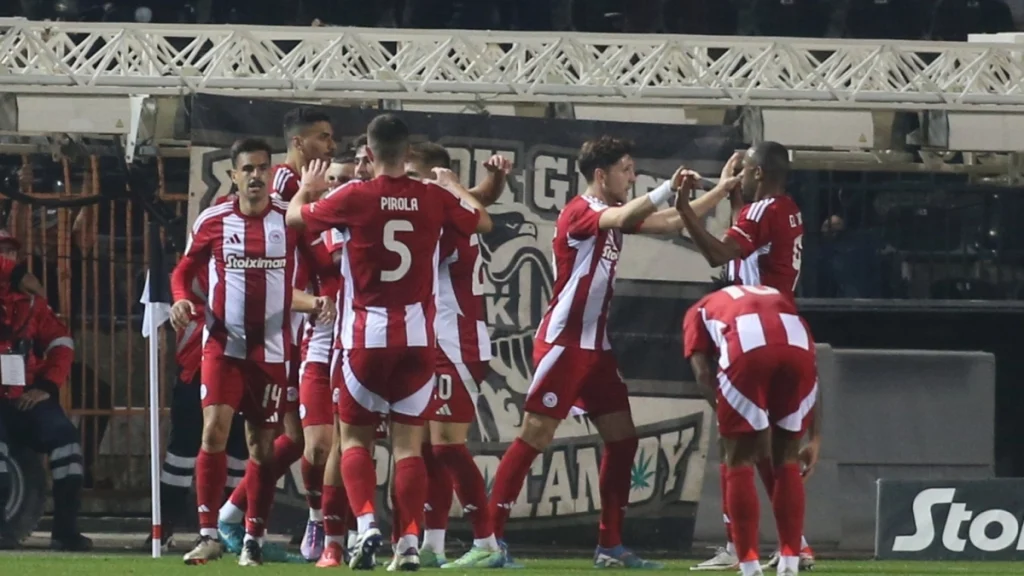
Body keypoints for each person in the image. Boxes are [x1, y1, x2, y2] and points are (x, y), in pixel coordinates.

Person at [484, 136, 729, 569]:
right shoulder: (581, 211)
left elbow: (672, 221)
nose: (631, 178)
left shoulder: (611, 215)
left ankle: (610, 546)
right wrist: (667, 187)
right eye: (626, 170)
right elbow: (629, 214)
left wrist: (721, 189)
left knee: (623, 440)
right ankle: (488, 541)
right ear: (601, 175)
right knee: (534, 437)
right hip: (564, 344)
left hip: (595, 349)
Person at [285, 113, 493, 571]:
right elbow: (480, 221)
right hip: (418, 339)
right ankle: (410, 543)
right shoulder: (433, 196)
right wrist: (454, 185)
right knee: (408, 446)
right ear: (407, 151)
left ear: (370, 152)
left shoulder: (354, 196)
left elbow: (295, 218)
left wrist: (307, 188)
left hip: (366, 337)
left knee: (355, 441)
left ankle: (365, 524)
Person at [170, 137, 334, 566]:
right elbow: (183, 271)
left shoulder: (290, 219)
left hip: (272, 352)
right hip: (223, 346)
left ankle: (252, 539)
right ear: (234, 175)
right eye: (248, 169)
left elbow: (324, 267)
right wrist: (181, 299)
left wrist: (327, 299)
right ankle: (208, 534)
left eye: (262, 168)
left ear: (270, 172)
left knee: (261, 447)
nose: (256, 176)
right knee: (212, 432)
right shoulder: (214, 220)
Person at [675, 142, 817, 572]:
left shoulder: (761, 212)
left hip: (749, 325)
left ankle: (741, 550)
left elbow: (719, 253)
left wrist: (685, 211)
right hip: (788, 325)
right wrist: (734, 193)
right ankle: (795, 547)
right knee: (779, 451)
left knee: (735, 441)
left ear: (757, 173)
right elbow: (748, 232)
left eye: (745, 172)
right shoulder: (787, 209)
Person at [216, 106, 338, 562]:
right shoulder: (285, 186)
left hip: (295, 327)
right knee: (289, 438)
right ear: (299, 142)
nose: (330, 146)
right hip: (282, 331)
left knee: (295, 439)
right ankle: (240, 518)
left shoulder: (299, 186)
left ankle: (234, 515)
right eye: (323, 137)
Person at [400, 142, 511, 569]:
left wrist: (453, 186)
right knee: (431, 448)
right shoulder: (447, 208)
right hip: (438, 339)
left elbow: (482, 215)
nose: (405, 183)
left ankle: (487, 542)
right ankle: (434, 542)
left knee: (447, 446)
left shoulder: (445, 219)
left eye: (413, 175)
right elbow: (479, 199)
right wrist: (486, 182)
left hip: (456, 343)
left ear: (435, 179)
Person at [682, 284, 820, 576]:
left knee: (739, 458)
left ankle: (749, 564)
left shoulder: (700, 309)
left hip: (747, 348)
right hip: (799, 348)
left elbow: (703, 373)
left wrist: (729, 417)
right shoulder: (772, 294)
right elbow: (812, 371)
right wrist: (816, 437)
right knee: (787, 460)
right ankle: (790, 562)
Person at [0, 230, 90, 551]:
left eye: (12, 252)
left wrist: (47, 386)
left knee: (67, 442)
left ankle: (65, 532)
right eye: (1, 251)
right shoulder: (22, 282)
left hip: (26, 395)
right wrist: (16, 274)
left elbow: (61, 344)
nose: (7, 257)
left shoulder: (33, 303)